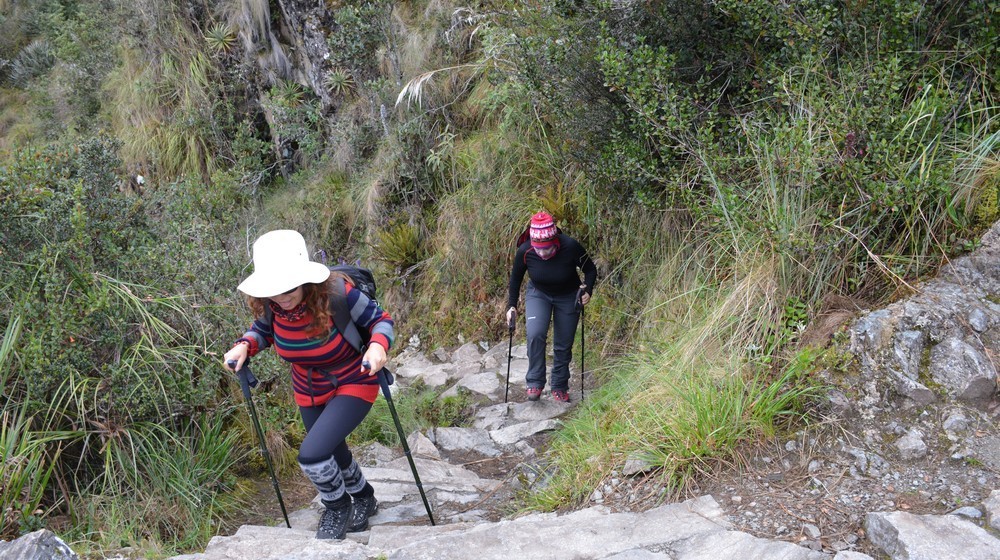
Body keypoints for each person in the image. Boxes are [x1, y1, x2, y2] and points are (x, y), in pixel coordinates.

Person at [223, 230, 393, 540]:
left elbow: (380, 321)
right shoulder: (272, 306)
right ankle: (364, 498)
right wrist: (245, 345)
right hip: (308, 385)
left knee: (313, 453)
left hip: (355, 376)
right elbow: (263, 331)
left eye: (289, 285)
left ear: (305, 278)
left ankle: (337, 507)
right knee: (333, 449)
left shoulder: (340, 296)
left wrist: (378, 346)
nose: (282, 295)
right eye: (274, 288)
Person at [505, 212, 597, 403]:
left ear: (555, 239)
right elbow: (515, 279)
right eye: (539, 249)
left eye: (547, 249)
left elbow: (590, 269)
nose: (544, 253)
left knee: (563, 344)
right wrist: (511, 306)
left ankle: (560, 385)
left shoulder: (570, 246)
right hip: (538, 294)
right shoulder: (525, 250)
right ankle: (535, 382)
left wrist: (587, 290)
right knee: (535, 333)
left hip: (568, 295)